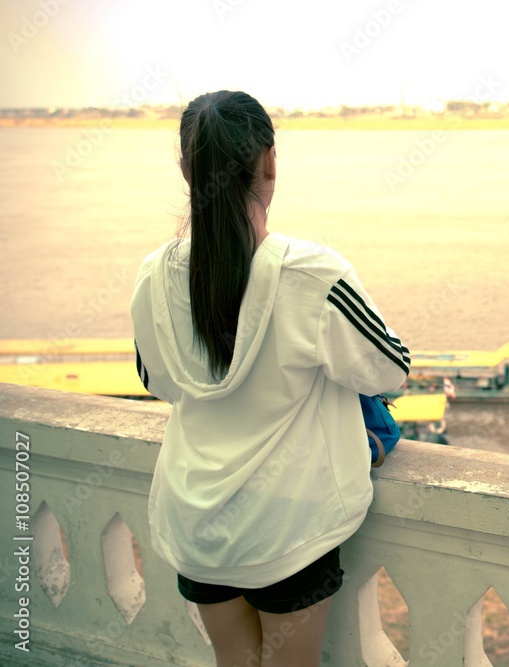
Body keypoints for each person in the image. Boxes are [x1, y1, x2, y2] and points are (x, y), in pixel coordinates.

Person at [130, 90, 409, 666]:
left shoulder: (154, 274)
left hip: (198, 520)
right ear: (270, 162)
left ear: (186, 170)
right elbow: (390, 368)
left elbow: (157, 381)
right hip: (289, 525)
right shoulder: (312, 273)